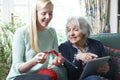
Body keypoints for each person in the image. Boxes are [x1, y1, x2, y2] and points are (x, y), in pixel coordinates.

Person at [6, 0, 67, 80]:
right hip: (19, 76)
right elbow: (18, 69)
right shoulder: (21, 33)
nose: (48, 17)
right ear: (35, 13)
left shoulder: (52, 32)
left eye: (50, 13)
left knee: (62, 72)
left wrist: (57, 61)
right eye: (43, 13)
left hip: (41, 75)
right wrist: (34, 61)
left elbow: (53, 60)